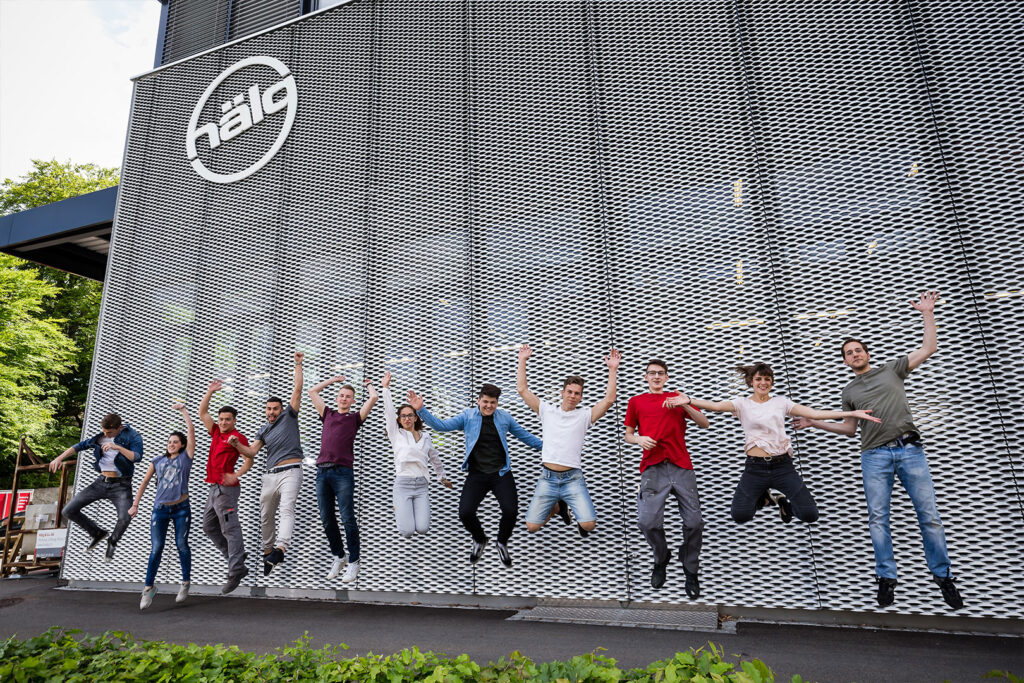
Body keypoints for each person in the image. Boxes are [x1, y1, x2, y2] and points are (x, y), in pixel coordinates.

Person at [793, 291, 964, 610]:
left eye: (858, 349)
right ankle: (886, 578)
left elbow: (929, 348)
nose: (854, 354)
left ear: (867, 353)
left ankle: (943, 578)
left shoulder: (892, 369)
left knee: (929, 517)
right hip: (874, 456)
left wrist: (927, 312)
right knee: (878, 519)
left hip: (910, 451)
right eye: (848, 353)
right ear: (845, 361)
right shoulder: (849, 391)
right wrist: (816, 424)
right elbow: (848, 428)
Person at [665, 363, 879, 527]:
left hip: (782, 466)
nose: (763, 383)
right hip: (755, 467)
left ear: (772, 382)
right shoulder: (742, 404)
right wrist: (689, 400)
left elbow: (814, 413)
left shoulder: (781, 403)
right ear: (751, 381)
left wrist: (850, 413)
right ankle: (766, 498)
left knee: (809, 514)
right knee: (740, 515)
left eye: (767, 379)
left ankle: (783, 503)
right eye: (759, 379)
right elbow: (716, 406)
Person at [409, 382, 542, 567]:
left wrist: (551, 448)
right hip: (477, 474)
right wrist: (421, 410)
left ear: (497, 403)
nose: (489, 406)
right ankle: (480, 539)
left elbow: (526, 437)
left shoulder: (504, 418)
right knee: (465, 512)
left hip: (501, 473)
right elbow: (441, 426)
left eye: (493, 402)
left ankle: (502, 542)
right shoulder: (468, 416)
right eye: (485, 401)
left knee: (511, 511)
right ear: (479, 400)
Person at [624, 359, 709, 596]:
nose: (656, 377)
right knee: (647, 522)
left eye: (661, 373)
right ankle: (661, 557)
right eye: (652, 373)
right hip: (652, 468)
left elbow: (705, 424)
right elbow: (628, 435)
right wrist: (640, 439)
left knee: (694, 523)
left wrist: (687, 404)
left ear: (667, 377)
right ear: (645, 377)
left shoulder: (677, 398)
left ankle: (690, 570)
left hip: (682, 467)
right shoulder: (636, 401)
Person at [516, 344, 619, 537]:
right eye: (569, 391)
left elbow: (608, 400)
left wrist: (612, 370)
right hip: (547, 478)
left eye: (577, 393)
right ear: (562, 392)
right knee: (531, 526)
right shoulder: (547, 410)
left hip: (572, 479)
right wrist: (522, 361)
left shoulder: (585, 415)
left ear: (581, 397)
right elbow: (522, 390)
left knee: (589, 525)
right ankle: (557, 508)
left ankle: (565, 505)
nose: (572, 396)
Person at [227, 352, 305, 577]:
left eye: (275, 409)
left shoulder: (290, 415)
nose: (271, 412)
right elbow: (251, 451)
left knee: (287, 508)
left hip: (291, 471)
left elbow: (297, 390)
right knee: (265, 515)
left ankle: (281, 549)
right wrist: (236, 445)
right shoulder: (263, 429)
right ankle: (268, 552)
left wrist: (298, 364)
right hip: (270, 475)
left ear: (281, 410)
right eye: (268, 409)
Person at [309, 373, 379, 583]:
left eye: (348, 396)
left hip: (343, 473)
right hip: (322, 472)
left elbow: (374, 398)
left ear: (353, 401)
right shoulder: (328, 414)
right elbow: (312, 391)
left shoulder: (355, 418)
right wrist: (332, 381)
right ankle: (339, 556)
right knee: (326, 518)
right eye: (341, 395)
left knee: (348, 518)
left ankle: (354, 562)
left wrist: (369, 385)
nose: (344, 398)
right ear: (337, 398)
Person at [49, 412, 144, 563]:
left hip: (121, 485)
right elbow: (79, 446)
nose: (106, 434)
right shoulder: (100, 437)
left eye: (109, 433)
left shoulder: (133, 436)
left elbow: (137, 457)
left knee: (125, 517)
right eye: (104, 431)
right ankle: (97, 533)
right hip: (100, 483)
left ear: (119, 428)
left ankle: (112, 541)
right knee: (68, 510)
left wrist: (117, 447)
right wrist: (59, 458)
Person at [128, 403, 196, 609]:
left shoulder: (186, 458)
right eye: (169, 442)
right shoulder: (157, 460)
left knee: (181, 545)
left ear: (182, 445)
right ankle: (148, 589)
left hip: (181, 508)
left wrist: (184, 411)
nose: (172, 444)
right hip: (160, 510)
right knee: (156, 547)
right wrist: (135, 505)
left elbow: (191, 432)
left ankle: (185, 583)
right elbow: (144, 482)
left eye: (176, 442)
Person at [198, 379, 254, 595]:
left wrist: (237, 473)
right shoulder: (215, 432)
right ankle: (236, 556)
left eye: (227, 420)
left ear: (234, 421)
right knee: (209, 527)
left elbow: (250, 457)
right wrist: (210, 391)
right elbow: (203, 413)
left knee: (230, 529)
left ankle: (236, 569)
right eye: (221, 419)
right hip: (213, 489)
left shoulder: (236, 437)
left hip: (226, 490)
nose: (222, 422)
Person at [380, 371, 452, 538]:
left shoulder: (426, 437)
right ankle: (398, 504)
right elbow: (388, 412)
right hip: (403, 484)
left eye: (410, 415)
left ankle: (402, 507)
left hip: (421, 486)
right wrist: (385, 388)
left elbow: (435, 460)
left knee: (423, 528)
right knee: (406, 531)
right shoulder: (395, 434)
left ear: (415, 418)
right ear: (399, 419)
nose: (406, 419)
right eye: (403, 416)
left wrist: (442, 478)